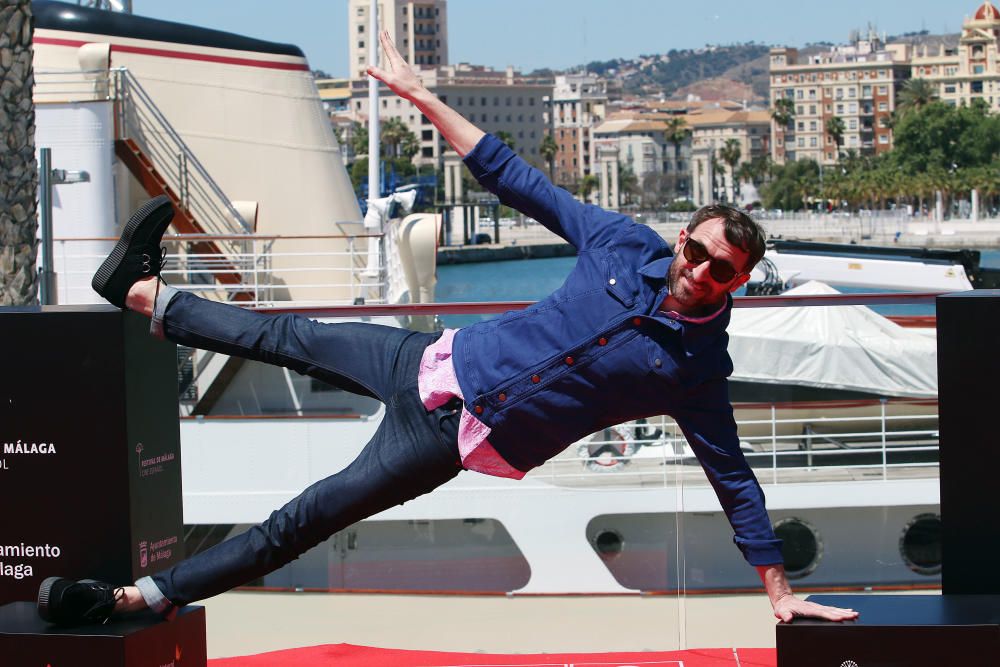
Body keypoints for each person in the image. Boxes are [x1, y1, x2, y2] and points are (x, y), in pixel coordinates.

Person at [37, 31, 858, 628]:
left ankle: (132, 598)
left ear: (738, 283)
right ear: (683, 237)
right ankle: (138, 290)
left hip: (449, 437)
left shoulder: (695, 368)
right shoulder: (623, 244)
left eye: (723, 272)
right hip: (424, 358)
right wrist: (421, 97)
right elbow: (516, 179)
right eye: (700, 250)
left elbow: (734, 478)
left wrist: (778, 588)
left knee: (303, 519)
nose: (702, 271)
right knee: (281, 333)